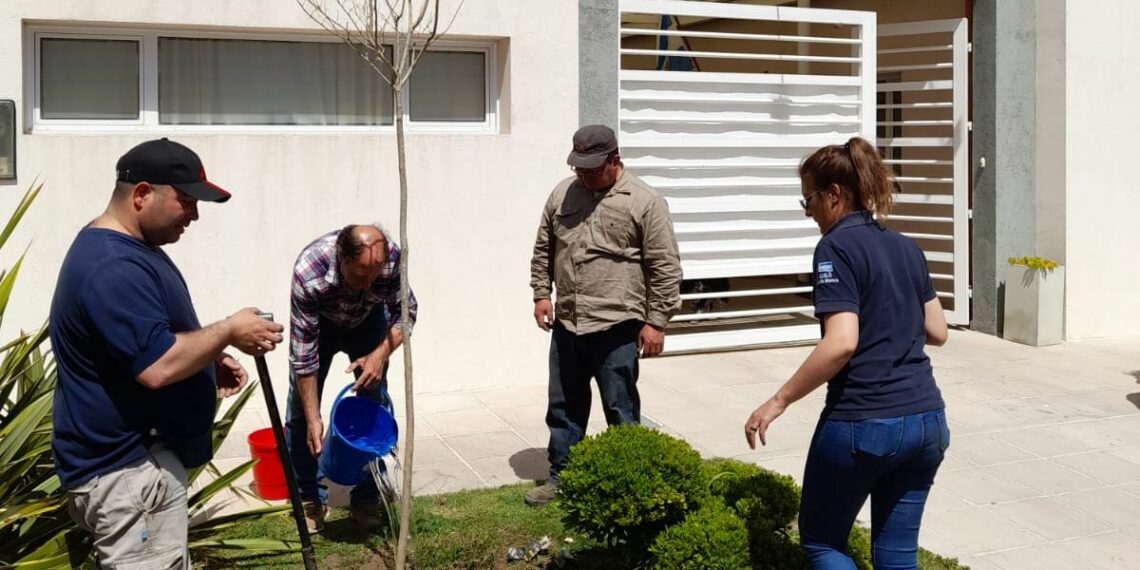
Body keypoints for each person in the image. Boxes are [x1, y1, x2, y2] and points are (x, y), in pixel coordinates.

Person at [50, 138, 285, 569]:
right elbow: (156, 366)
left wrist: (207, 359)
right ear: (142, 194)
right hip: (129, 476)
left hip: (132, 474)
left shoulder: (128, 249)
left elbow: (137, 341)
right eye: (186, 201)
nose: (194, 215)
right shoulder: (112, 265)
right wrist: (229, 330)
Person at [744, 137, 950, 569]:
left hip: (865, 422)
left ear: (834, 194)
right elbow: (937, 330)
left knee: (822, 541)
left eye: (809, 201)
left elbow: (841, 342)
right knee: (896, 555)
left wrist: (777, 401)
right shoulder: (907, 246)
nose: (810, 213)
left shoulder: (835, 247)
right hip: (927, 421)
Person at [526, 124, 683, 506]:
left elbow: (666, 267)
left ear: (615, 160)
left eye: (592, 168)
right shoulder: (563, 194)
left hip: (617, 325)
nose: (583, 175)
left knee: (621, 408)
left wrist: (657, 322)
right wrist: (541, 294)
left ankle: (629, 483)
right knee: (563, 407)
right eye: (578, 167)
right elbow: (544, 247)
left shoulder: (644, 202)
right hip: (568, 322)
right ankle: (563, 475)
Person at [285, 224, 417, 532]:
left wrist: (380, 353)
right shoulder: (310, 270)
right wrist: (314, 414)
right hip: (322, 325)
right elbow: (303, 356)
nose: (369, 282)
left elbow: (406, 311)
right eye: (360, 275)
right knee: (301, 417)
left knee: (374, 405)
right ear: (341, 258)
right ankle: (310, 496)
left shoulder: (390, 258)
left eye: (376, 275)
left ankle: (366, 497)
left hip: (369, 321)